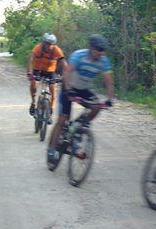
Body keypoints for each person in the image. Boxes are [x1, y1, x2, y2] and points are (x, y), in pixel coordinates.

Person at [47, 34, 115, 164]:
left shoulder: (103, 61)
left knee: (97, 107)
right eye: (98, 50)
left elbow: (109, 82)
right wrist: (69, 90)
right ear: (91, 48)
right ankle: (51, 149)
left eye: (102, 51)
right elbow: (67, 73)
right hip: (69, 87)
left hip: (84, 89)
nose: (100, 53)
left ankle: (79, 125)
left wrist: (109, 99)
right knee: (62, 119)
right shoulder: (79, 55)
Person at [27, 33, 65, 122]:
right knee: (33, 84)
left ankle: (50, 111)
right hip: (37, 69)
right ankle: (33, 102)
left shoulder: (56, 50)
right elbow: (30, 58)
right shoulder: (38, 48)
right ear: (44, 43)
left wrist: (65, 75)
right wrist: (29, 72)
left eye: (52, 44)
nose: (49, 46)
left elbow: (63, 62)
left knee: (53, 90)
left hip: (50, 71)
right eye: (48, 44)